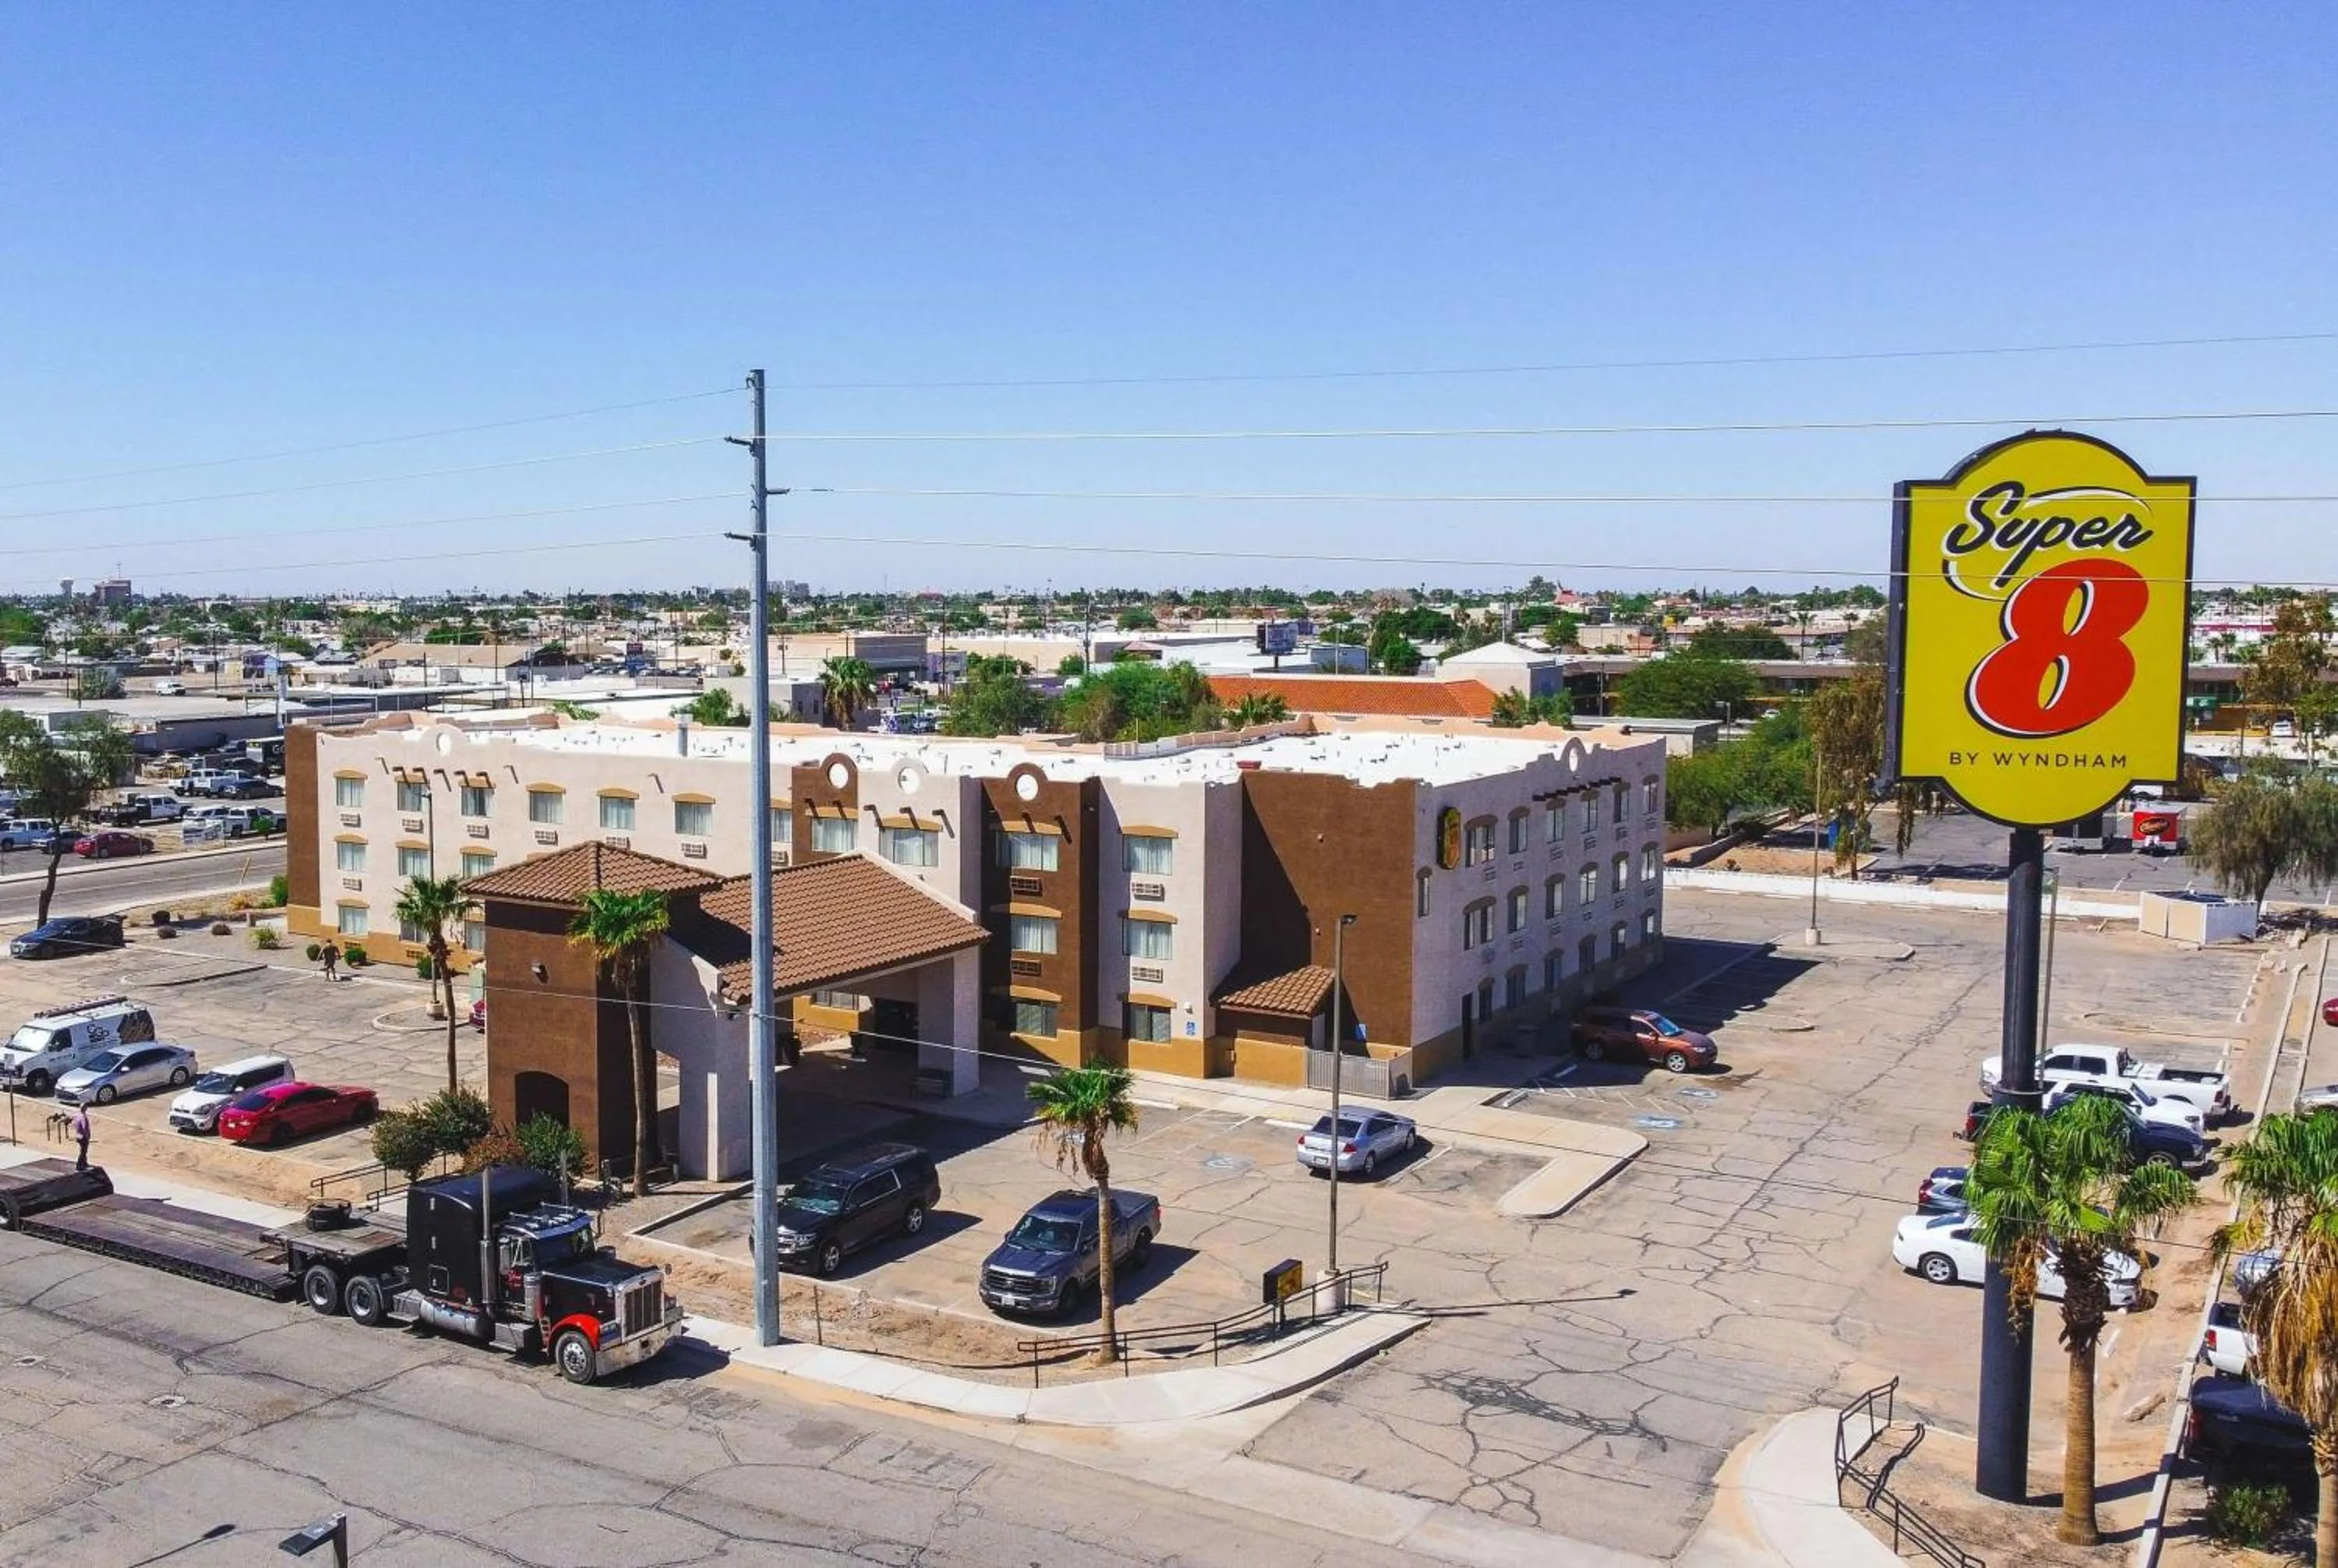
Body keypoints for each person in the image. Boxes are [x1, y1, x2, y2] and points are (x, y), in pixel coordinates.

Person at [71, 1105, 90, 1171]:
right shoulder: (83, 1117)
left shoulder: (77, 1115)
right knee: (83, 1151)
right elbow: (84, 1127)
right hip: (83, 1137)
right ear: (85, 1109)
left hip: (78, 1135)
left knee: (83, 1150)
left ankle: (85, 1163)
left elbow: (73, 1123)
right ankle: (79, 1166)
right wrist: (87, 1136)